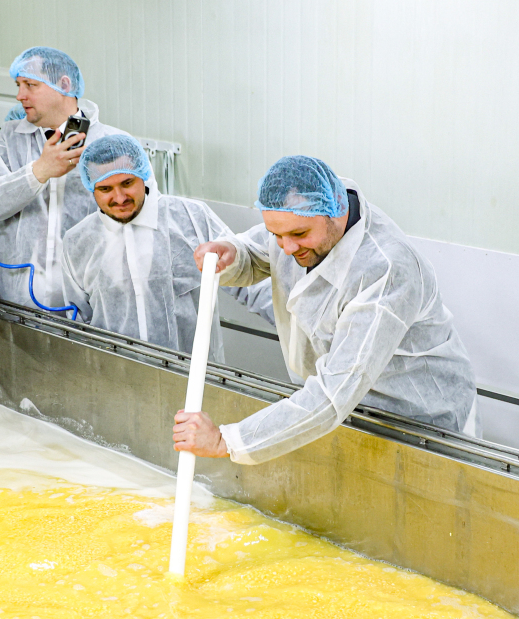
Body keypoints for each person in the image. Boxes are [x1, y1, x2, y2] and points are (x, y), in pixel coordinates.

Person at [174, 156, 478, 465]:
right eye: (277, 235)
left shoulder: (385, 270)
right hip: (348, 411)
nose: (286, 248)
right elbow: (257, 253)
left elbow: (334, 392)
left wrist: (225, 441)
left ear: (337, 212)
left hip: (418, 422)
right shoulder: (301, 219)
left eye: (299, 235)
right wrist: (232, 254)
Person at [0, 46, 132, 310]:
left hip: (90, 304)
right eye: (18, 85)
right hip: (18, 302)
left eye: (31, 85)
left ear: (64, 85)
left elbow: (138, 222)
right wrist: (40, 171)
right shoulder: (10, 138)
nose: (20, 95)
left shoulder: (113, 143)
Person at [61, 135, 227, 360]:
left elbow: (248, 273)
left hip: (192, 374)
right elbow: (80, 321)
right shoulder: (78, 242)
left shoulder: (192, 217)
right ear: (91, 189)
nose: (119, 198)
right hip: (115, 373)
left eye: (127, 183)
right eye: (106, 188)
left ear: (143, 175)